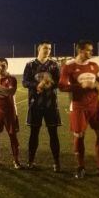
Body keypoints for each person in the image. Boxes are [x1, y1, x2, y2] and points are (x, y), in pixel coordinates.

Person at [59, 40, 99, 178]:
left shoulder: (94, 65)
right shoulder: (68, 67)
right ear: (80, 51)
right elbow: (62, 86)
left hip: (95, 106)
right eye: (88, 50)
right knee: (79, 136)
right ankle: (80, 167)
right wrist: (81, 86)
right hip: (78, 107)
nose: (91, 52)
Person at [22, 41, 61, 172]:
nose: (48, 50)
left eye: (50, 48)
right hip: (35, 104)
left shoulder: (54, 65)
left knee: (53, 134)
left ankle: (56, 162)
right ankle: (30, 161)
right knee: (34, 134)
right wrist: (36, 85)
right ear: (39, 49)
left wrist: (50, 84)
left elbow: (59, 82)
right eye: (45, 48)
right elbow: (24, 82)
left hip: (51, 104)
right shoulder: (30, 65)